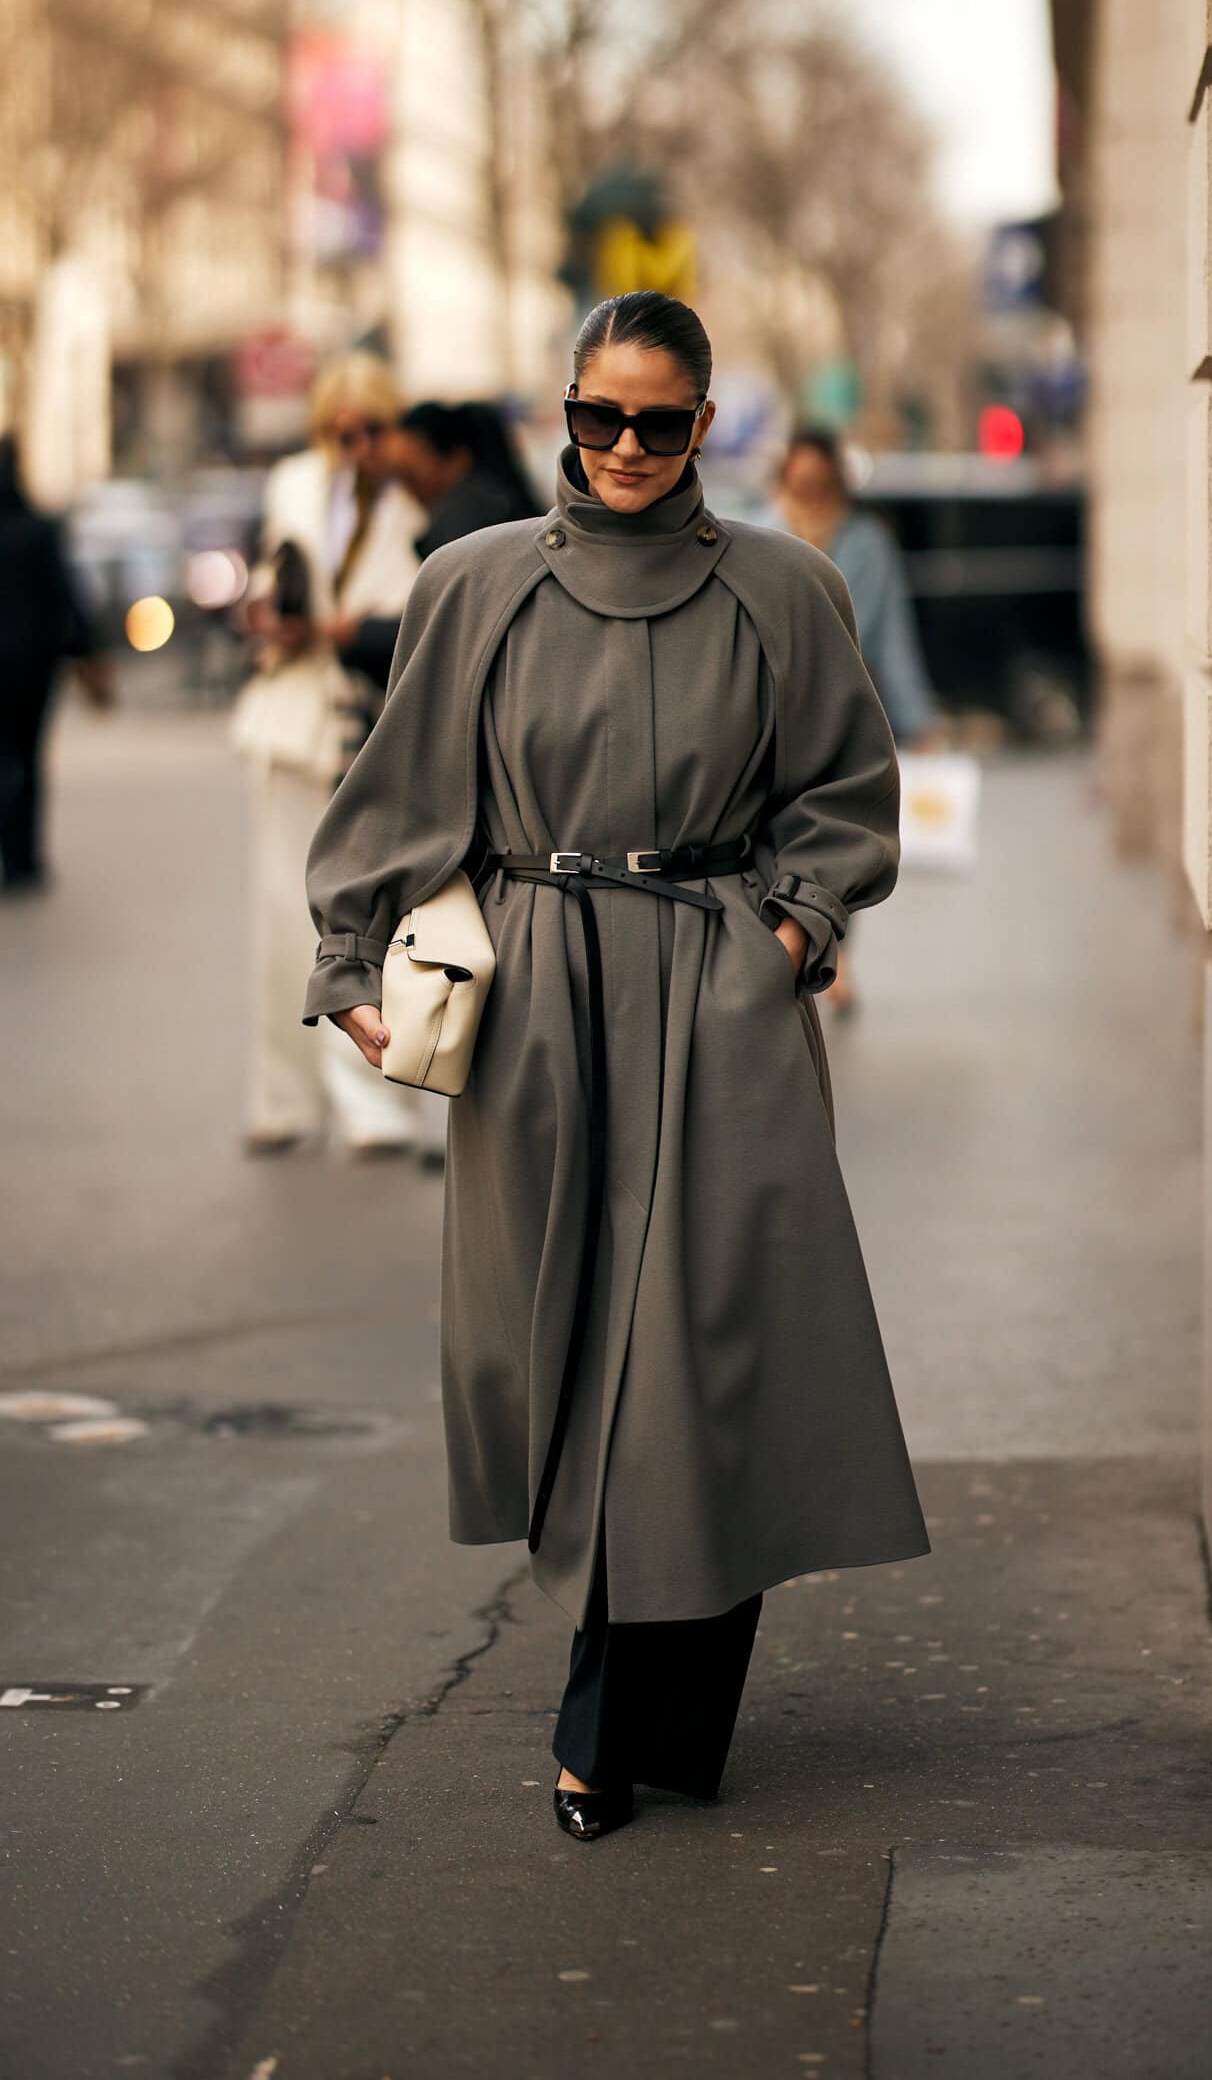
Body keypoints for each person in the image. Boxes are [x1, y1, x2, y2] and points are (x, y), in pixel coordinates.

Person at [300, 290, 929, 1840]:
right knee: (571, 1356)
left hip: (721, 1001)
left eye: (659, 420)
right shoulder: (472, 584)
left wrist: (782, 942)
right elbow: (395, 796)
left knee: (700, 1352)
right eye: (599, 416)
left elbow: (846, 795)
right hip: (539, 1007)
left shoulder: (785, 589)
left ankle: (609, 1723)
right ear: (560, 411)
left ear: (705, 425)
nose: (627, 447)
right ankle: (643, 1708)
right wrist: (345, 967)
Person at [231, 350, 426, 1158]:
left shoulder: (417, 503)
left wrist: (352, 630)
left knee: (369, 924)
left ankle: (376, 1105)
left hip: (373, 723)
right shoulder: (294, 486)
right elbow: (271, 576)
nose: (353, 447)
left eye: (370, 429)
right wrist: (265, 614)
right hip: (289, 719)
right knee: (283, 918)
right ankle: (284, 1098)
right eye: (337, 431)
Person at [774, 427, 941, 1010]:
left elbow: (893, 636)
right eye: (800, 484)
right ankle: (790, 940)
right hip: (770, 718)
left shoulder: (868, 543)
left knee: (840, 834)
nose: (810, 495)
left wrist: (920, 719)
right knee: (772, 835)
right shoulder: (756, 531)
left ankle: (834, 952)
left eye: (820, 485)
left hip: (844, 714)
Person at [340, 399, 544, 692]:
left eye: (412, 474)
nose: (408, 491)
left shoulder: (466, 519)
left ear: (455, 459)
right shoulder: (491, 507)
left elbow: (449, 629)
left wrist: (360, 635)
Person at [0, 437, 112, 893]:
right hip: (31, 668)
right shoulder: (38, 528)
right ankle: (22, 857)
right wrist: (86, 652)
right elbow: (65, 594)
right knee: (27, 757)